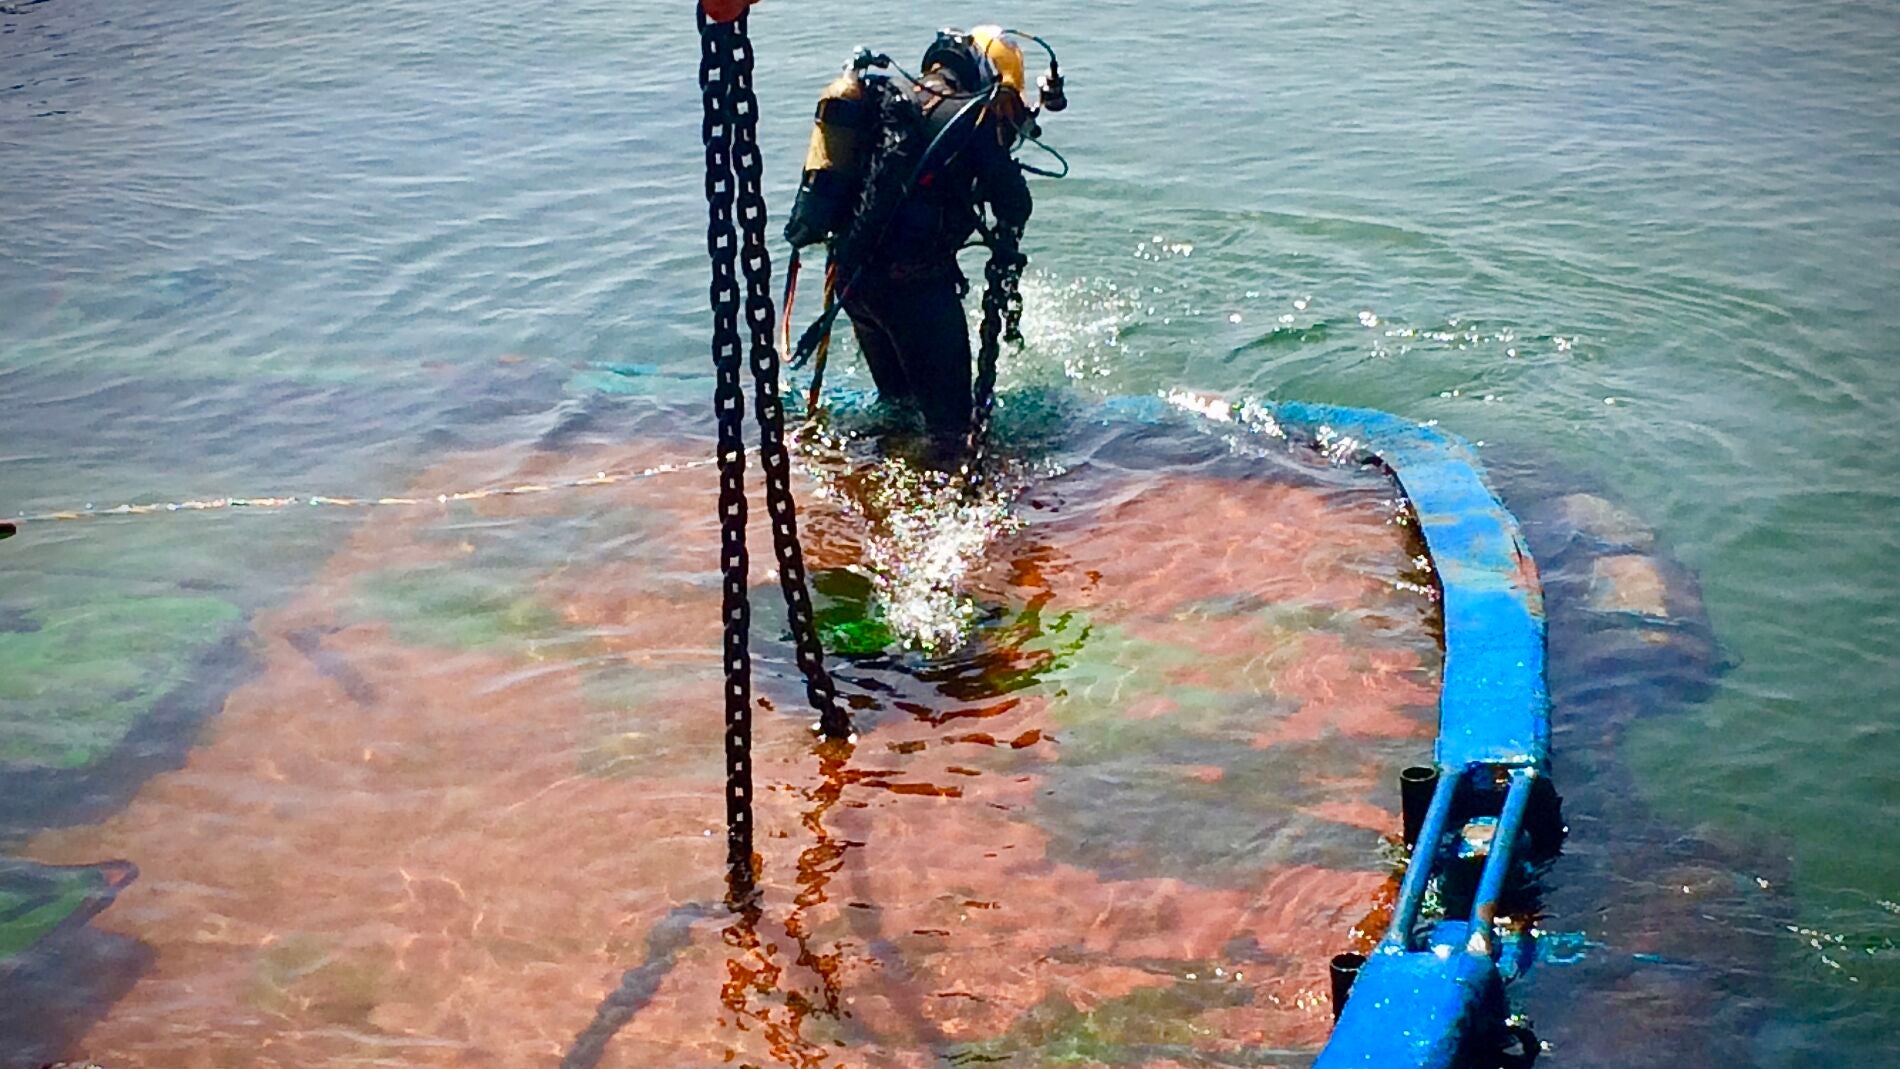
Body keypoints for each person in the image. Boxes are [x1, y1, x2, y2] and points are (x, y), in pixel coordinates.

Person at [783, 27, 1037, 450]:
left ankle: (875, 479)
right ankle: (938, 488)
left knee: (898, 410)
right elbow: (1015, 204)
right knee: (952, 432)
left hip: (853, 281)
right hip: (917, 295)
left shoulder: (889, 99)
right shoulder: (971, 116)